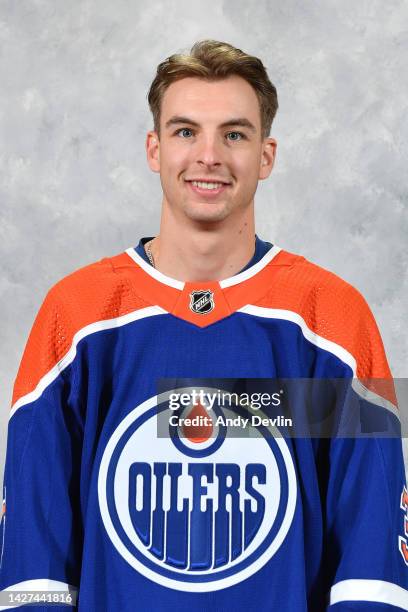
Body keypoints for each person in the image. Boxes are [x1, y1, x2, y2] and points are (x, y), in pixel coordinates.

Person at [0, 39, 407, 611]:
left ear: (266, 155)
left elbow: (372, 570)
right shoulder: (75, 316)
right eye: (186, 131)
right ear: (154, 148)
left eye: (234, 134)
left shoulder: (332, 317)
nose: (209, 155)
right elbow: (32, 568)